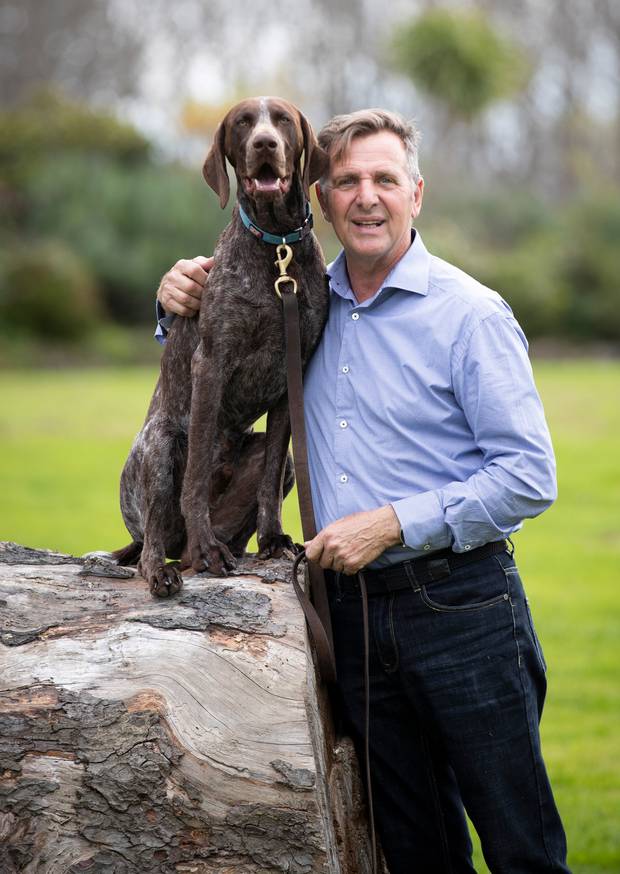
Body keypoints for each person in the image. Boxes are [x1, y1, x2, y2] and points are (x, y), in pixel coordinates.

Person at [156, 109, 570, 873]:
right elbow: (222, 355)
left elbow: (527, 475)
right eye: (346, 181)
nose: (366, 197)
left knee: (522, 852)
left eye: (385, 179)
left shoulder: (469, 314)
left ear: (418, 192)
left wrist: (392, 523)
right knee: (414, 854)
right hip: (347, 614)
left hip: (464, 612)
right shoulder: (306, 302)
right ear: (320, 196)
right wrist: (173, 300)